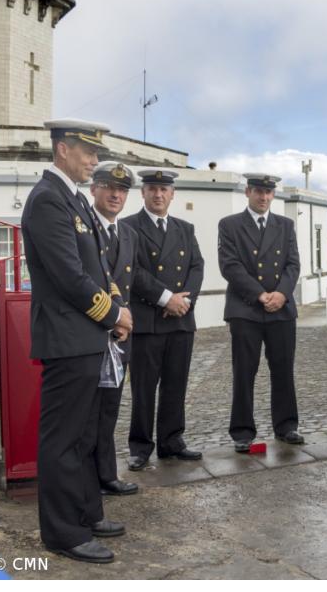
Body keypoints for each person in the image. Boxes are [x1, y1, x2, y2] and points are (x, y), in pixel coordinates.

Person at [23, 118, 132, 563]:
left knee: (86, 435)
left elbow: (99, 270)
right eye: (87, 152)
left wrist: (116, 315)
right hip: (68, 338)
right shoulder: (48, 199)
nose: (93, 161)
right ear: (62, 149)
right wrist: (112, 314)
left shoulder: (73, 200)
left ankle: (87, 513)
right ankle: (63, 533)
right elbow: (70, 275)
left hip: (88, 335)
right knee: (63, 439)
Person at [120, 169, 205, 470]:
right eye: (153, 189)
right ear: (142, 192)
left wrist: (184, 301)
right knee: (143, 388)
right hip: (146, 321)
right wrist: (166, 297)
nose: (158, 195)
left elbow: (196, 266)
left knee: (175, 384)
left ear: (173, 194)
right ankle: (140, 446)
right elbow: (133, 271)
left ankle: (172, 441)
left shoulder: (185, 228)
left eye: (164, 189)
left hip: (180, 320)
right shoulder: (127, 226)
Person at [217, 173, 303, 451]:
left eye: (268, 193)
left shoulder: (286, 225)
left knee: (283, 370)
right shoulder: (229, 225)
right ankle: (242, 431)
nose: (264, 198)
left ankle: (287, 426)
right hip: (246, 309)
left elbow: (292, 265)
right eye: (258, 192)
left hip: (281, 308)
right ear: (247, 193)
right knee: (244, 371)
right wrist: (259, 294)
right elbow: (229, 266)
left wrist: (281, 293)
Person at [89, 162, 151, 497]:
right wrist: (113, 318)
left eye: (122, 190)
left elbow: (131, 282)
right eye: (108, 187)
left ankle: (106, 474)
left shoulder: (129, 234)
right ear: (93, 190)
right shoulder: (84, 227)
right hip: (91, 330)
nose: (115, 195)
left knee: (110, 407)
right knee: (86, 411)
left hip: (120, 335)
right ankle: (87, 478)